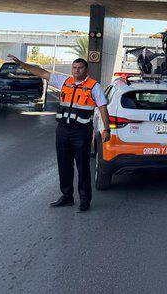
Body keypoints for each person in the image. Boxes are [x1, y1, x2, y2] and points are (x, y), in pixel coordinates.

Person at [7, 54, 110, 212]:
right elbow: (41, 73)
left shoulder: (94, 86)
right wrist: (22, 64)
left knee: (82, 167)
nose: (76, 70)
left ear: (86, 70)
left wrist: (106, 130)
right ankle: (67, 196)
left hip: (82, 132)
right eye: (74, 68)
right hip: (63, 130)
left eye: (80, 68)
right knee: (64, 165)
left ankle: (84, 200)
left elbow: (102, 107)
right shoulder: (65, 81)